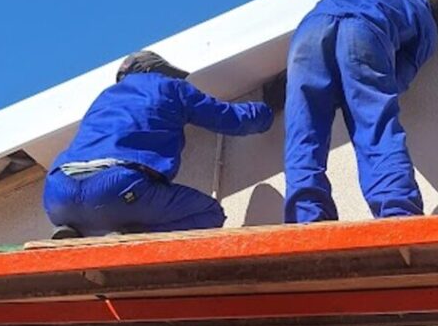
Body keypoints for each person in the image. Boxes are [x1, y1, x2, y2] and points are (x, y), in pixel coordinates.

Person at [282, 0, 438, 223]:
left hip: (309, 30)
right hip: (363, 32)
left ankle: (306, 216)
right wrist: (354, 94)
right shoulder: (426, 21)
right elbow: (397, 78)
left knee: (304, 133)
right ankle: (397, 211)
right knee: (375, 127)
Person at [44, 51, 273, 238]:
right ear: (150, 71)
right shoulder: (169, 87)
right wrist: (268, 109)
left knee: (97, 213)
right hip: (116, 186)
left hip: (57, 193)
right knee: (208, 212)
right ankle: (135, 236)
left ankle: (76, 232)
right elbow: (231, 119)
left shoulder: (103, 99)